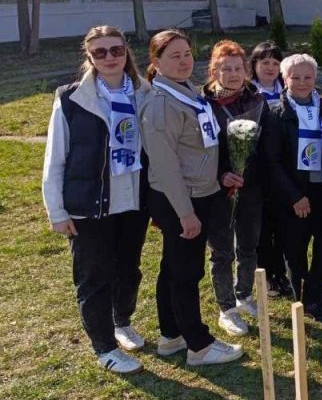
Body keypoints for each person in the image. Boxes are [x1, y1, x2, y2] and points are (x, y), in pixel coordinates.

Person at [42, 26, 151, 374]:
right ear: (89, 57)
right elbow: (55, 158)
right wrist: (57, 212)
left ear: (126, 53)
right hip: (90, 204)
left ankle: (122, 321)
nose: (109, 58)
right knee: (94, 277)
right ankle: (104, 346)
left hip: (133, 201)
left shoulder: (143, 93)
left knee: (129, 270)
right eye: (100, 52)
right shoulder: (72, 100)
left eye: (115, 50)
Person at [140, 30, 243, 366]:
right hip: (180, 199)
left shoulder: (186, 92)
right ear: (156, 63)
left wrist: (219, 175)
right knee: (186, 273)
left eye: (187, 53)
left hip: (200, 192)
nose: (184, 61)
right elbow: (166, 166)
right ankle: (199, 345)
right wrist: (185, 213)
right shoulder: (160, 105)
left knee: (173, 267)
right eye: (174, 56)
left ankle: (172, 336)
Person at [266, 53, 322, 323]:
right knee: (296, 248)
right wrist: (295, 196)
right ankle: (305, 301)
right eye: (295, 77)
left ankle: (315, 290)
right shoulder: (276, 113)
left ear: (315, 78)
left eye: (307, 77)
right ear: (284, 79)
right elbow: (272, 161)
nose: (301, 82)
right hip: (295, 194)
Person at [202, 40, 269, 336]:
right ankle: (226, 308)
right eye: (224, 68)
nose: (231, 74)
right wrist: (221, 175)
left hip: (252, 185)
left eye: (237, 68)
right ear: (213, 70)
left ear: (246, 70)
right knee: (221, 251)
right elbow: (198, 150)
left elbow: (267, 145)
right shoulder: (203, 105)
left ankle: (244, 295)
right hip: (217, 189)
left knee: (248, 245)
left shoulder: (256, 101)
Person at [250, 41, 289, 297]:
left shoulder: (287, 90)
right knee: (262, 227)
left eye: (275, 63)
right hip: (256, 170)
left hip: (284, 168)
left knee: (282, 224)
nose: (270, 67)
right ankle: (267, 275)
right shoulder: (247, 93)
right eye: (265, 62)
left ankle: (282, 272)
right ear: (254, 65)